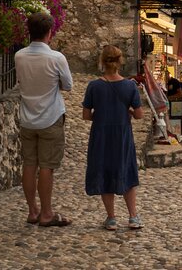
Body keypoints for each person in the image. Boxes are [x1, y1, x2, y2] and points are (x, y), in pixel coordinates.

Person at [15, 12, 73, 228]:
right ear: (50, 33)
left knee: (29, 164)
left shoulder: (19, 56)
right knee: (46, 166)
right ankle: (47, 213)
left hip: (27, 118)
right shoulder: (56, 58)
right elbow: (67, 85)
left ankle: (33, 211)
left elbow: (21, 81)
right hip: (50, 117)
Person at [82, 45, 144, 230]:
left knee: (104, 171)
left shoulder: (94, 86)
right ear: (120, 62)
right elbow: (139, 115)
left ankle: (111, 218)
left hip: (101, 135)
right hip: (122, 134)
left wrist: (101, 116)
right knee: (126, 171)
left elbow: (86, 115)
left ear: (102, 62)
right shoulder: (129, 86)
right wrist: (129, 111)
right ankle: (133, 216)